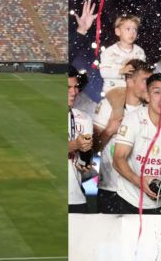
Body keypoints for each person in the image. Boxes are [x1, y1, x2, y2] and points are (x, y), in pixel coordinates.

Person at [112, 73, 161, 214]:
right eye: (156, 92)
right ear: (147, 96)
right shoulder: (133, 119)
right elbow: (118, 159)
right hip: (130, 199)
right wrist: (139, 182)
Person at [93, 59, 152, 213]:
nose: (150, 85)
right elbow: (92, 148)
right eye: (145, 80)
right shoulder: (108, 105)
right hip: (111, 188)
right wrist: (109, 131)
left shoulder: (150, 110)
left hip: (138, 189)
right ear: (130, 81)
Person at [68, 66, 94, 213]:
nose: (74, 92)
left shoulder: (84, 119)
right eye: (68, 87)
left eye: (75, 87)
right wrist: (75, 144)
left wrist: (85, 162)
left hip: (75, 198)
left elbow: (83, 161)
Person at [99, 15, 146, 94]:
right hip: (114, 91)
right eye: (128, 29)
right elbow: (104, 72)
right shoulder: (109, 52)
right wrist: (121, 71)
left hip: (133, 91)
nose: (132, 32)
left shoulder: (139, 52)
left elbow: (143, 70)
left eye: (135, 29)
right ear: (118, 32)